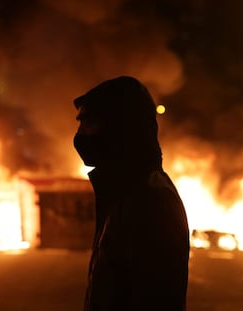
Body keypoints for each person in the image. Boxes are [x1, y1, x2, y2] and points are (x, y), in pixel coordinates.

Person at [73, 76, 190, 311]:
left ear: (120, 126)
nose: (80, 135)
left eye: (88, 122)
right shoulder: (125, 192)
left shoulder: (150, 201)